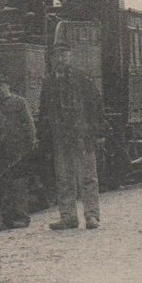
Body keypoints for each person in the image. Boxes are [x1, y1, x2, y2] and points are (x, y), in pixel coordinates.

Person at [41, 44, 104, 230]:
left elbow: (96, 106)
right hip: (60, 138)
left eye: (64, 56)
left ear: (70, 58)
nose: (61, 60)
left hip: (81, 136)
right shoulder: (48, 82)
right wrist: (45, 138)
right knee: (64, 178)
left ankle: (92, 215)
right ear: (52, 60)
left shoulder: (82, 79)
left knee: (88, 177)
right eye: (57, 57)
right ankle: (68, 216)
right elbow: (44, 111)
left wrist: (98, 133)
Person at [0, 74, 37, 230]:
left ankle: (22, 218)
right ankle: (6, 220)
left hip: (17, 149)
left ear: (8, 86)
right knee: (2, 185)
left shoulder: (19, 102)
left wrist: (31, 142)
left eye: (0, 85)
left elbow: (29, 123)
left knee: (18, 185)